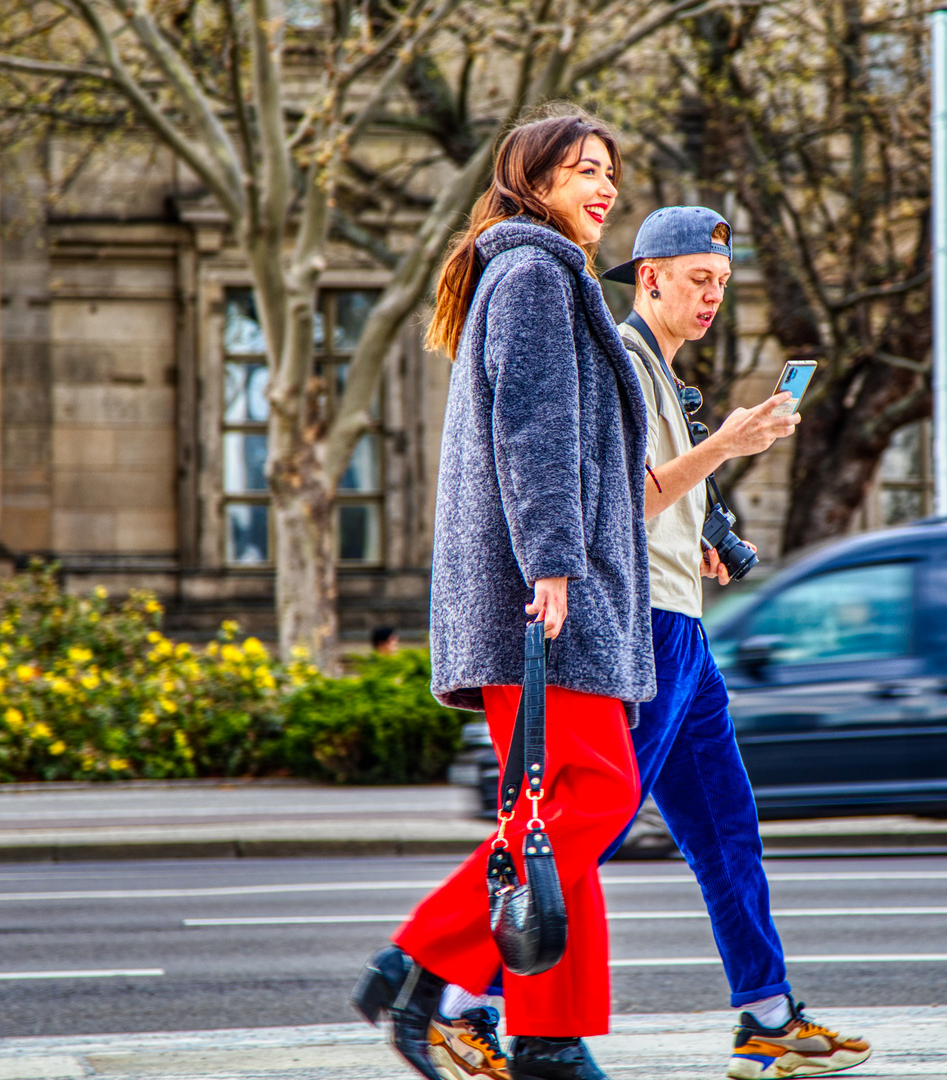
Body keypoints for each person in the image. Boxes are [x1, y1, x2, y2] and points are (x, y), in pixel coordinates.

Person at [432, 207, 873, 1080]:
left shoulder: (668, 380)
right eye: (695, 278)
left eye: (721, 282)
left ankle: (767, 1014)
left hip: (684, 627)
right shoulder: (623, 363)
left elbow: (655, 506)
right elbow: (617, 504)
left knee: (727, 832)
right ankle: (455, 998)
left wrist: (702, 530)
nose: (711, 296)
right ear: (651, 278)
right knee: (574, 826)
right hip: (642, 633)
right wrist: (729, 444)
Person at [349, 110, 652, 1080]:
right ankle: (418, 963)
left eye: (608, 171)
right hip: (542, 592)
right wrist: (554, 564)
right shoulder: (531, 276)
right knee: (597, 791)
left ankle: (550, 1037)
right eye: (580, 170)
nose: (601, 186)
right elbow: (533, 433)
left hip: (548, 584)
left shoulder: (541, 273)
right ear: (531, 180)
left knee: (553, 811)